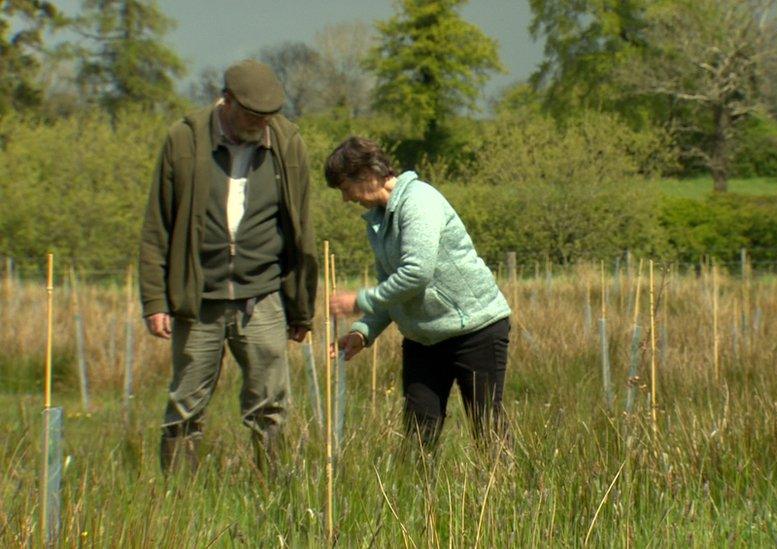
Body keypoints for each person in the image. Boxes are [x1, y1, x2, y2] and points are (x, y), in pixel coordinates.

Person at [139, 59, 317, 474]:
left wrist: (301, 307)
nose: (262, 124)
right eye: (254, 116)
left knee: (270, 406)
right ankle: (178, 501)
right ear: (227, 101)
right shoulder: (184, 141)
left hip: (263, 295)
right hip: (197, 297)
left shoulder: (287, 142)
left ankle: (274, 493)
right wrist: (154, 300)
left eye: (268, 117)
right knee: (185, 406)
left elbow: (301, 228)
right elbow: (156, 226)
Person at [325, 137, 511, 452]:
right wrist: (363, 331)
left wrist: (357, 301)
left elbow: (416, 273)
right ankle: (421, 501)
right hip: (424, 339)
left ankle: (505, 495)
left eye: (345, 188)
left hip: (475, 330)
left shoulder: (419, 202)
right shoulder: (378, 220)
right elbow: (390, 286)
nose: (345, 199)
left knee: (487, 431)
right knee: (417, 440)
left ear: (368, 174)